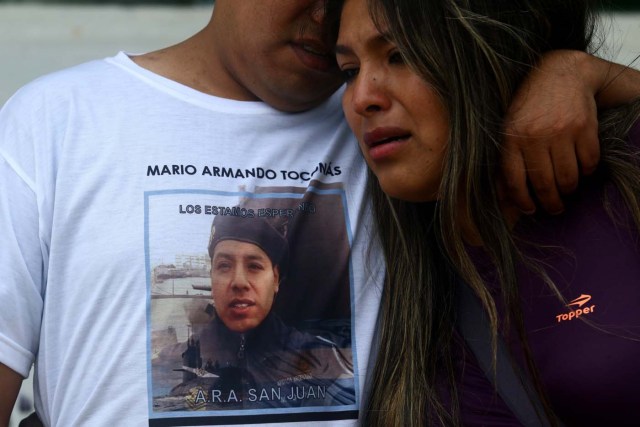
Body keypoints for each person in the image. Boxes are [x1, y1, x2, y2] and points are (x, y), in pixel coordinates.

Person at [1, 0, 639, 425]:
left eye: (392, 54)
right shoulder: (56, 121)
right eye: (352, 64)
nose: (325, 11)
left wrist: (581, 74)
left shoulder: (395, 141)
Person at [335, 0, 640, 425]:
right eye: (349, 72)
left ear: (485, 49)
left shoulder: (623, 173)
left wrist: (589, 72)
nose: (362, 97)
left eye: (400, 55)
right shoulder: (397, 259)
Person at [152, 214, 354, 410]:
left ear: (275, 279)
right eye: (224, 265)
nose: (239, 281)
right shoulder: (168, 360)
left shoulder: (326, 359)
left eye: (254, 266)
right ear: (212, 278)